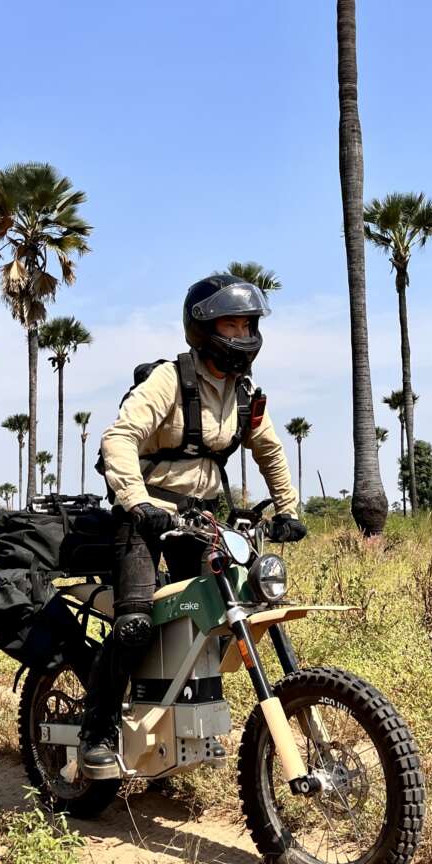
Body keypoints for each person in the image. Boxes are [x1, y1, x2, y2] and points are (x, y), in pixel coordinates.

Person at [78, 273, 307, 778]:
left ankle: (175, 722)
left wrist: (288, 509)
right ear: (204, 328)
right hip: (144, 516)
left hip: (199, 520)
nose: (244, 333)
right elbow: (119, 438)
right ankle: (95, 733)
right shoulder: (169, 380)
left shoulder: (243, 395)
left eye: (250, 323)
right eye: (233, 322)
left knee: (226, 613)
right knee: (136, 623)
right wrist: (137, 501)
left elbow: (268, 449)